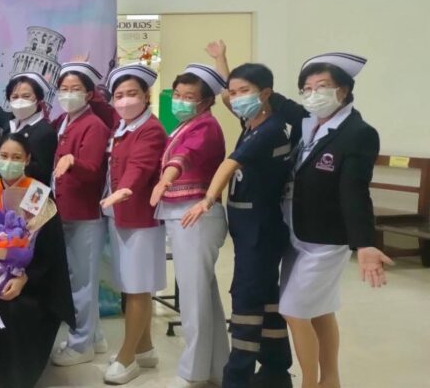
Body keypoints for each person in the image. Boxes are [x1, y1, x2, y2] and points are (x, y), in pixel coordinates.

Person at [279, 53, 391, 388]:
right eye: (307, 88)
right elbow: (260, 93)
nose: (313, 94)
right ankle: (331, 380)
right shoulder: (308, 122)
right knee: (319, 309)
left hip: (326, 240)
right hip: (296, 233)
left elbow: (354, 191)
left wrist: (365, 243)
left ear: (343, 90)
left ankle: (309, 384)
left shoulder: (358, 133)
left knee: (294, 310)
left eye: (322, 86)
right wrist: (224, 65)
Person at [181, 63, 296, 388]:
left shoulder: (272, 129)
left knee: (246, 298)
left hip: (262, 227)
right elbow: (226, 97)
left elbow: (230, 163)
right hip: (247, 228)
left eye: (244, 91)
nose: (235, 98)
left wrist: (207, 198)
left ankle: (237, 378)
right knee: (266, 296)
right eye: (233, 92)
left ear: (266, 93)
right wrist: (222, 62)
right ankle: (276, 369)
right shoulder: (252, 121)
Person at [148, 64, 230, 388]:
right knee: (203, 295)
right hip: (182, 215)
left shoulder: (206, 127)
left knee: (194, 300)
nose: (180, 101)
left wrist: (164, 181)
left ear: (206, 101)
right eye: (178, 94)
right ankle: (218, 368)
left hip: (195, 217)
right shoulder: (185, 125)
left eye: (189, 96)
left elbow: (184, 157)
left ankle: (192, 372)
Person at [0, 133, 74, 388]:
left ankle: (19, 378)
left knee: (18, 310)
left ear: (27, 159)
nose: (9, 162)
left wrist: (24, 278)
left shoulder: (39, 197)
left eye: (16, 157)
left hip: (33, 283)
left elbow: (51, 252)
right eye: (4, 155)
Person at [98, 64, 167, 385]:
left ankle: (127, 358)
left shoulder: (150, 129)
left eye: (132, 94)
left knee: (138, 287)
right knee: (131, 284)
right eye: (119, 95)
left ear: (146, 96)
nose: (124, 100)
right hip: (120, 216)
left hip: (140, 218)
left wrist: (125, 189)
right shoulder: (123, 126)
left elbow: (140, 165)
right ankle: (145, 348)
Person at [49, 62, 113, 367]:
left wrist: (73, 161)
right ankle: (95, 337)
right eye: (64, 89)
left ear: (89, 94)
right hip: (66, 210)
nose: (68, 94)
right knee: (80, 278)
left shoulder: (93, 125)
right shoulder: (64, 121)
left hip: (85, 213)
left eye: (76, 89)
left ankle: (80, 344)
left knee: (82, 283)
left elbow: (93, 171)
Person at [0, 49, 58, 184]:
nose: (20, 101)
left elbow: (43, 173)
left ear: (38, 99)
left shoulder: (45, 132)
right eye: (15, 97)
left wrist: (18, 164)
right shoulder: (10, 120)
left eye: (26, 96)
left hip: (25, 191)